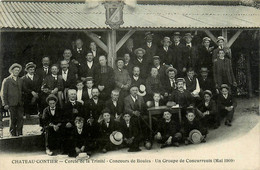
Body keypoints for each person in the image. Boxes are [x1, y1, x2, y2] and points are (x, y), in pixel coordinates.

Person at [1, 63, 24, 136]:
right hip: (11, 103)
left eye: (18, 70)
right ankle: (13, 134)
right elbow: (3, 93)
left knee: (20, 118)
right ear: (12, 71)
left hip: (19, 103)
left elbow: (22, 90)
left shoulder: (20, 80)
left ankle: (20, 133)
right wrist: (5, 103)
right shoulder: (7, 80)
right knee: (13, 118)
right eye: (15, 70)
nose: (17, 72)